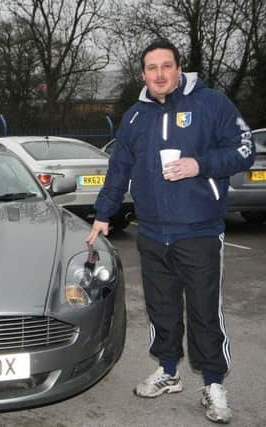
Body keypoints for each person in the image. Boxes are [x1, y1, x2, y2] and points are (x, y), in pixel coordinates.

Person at [86, 39, 254, 424]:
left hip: (199, 230)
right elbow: (118, 170)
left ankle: (213, 384)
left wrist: (201, 165)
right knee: (161, 309)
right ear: (143, 74)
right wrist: (102, 214)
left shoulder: (211, 104)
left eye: (166, 66)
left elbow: (243, 149)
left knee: (203, 311)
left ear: (179, 68)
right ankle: (168, 371)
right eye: (151, 67)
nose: (159, 74)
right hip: (152, 232)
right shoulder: (133, 117)